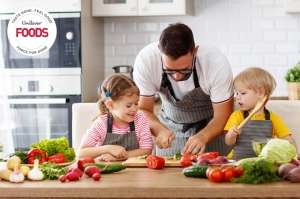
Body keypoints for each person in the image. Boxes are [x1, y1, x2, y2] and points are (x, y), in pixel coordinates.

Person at [133, 22, 234, 157]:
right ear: (159, 50)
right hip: (170, 130)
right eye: (169, 70)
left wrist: (203, 136)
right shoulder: (146, 61)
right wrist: (160, 130)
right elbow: (143, 110)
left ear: (195, 51)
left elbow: (223, 114)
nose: (177, 76)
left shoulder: (215, 63)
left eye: (185, 70)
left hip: (212, 129)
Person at [224, 67, 300, 159]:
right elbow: (229, 142)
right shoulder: (237, 116)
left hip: (264, 162)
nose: (238, 97)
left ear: (260, 93)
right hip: (237, 160)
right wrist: (231, 135)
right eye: (237, 93)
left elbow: (289, 140)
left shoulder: (273, 118)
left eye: (243, 93)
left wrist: (295, 155)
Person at [78, 74, 154, 161]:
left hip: (135, 172)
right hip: (106, 171)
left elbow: (147, 150)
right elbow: (81, 154)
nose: (134, 109)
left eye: (136, 103)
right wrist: (108, 148)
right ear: (111, 105)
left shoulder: (140, 119)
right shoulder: (101, 124)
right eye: (128, 105)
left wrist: (120, 156)